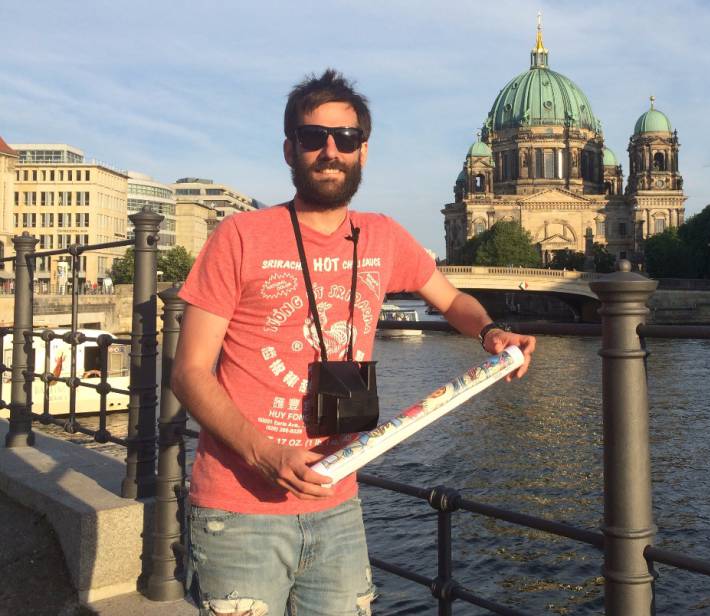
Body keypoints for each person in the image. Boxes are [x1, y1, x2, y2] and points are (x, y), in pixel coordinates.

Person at [171, 69, 536, 616]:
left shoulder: (383, 235)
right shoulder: (239, 236)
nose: (330, 151)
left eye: (345, 139)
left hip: (338, 502)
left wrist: (490, 331)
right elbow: (189, 372)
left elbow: (451, 298)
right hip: (239, 507)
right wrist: (263, 453)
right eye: (314, 137)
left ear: (363, 151)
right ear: (290, 148)